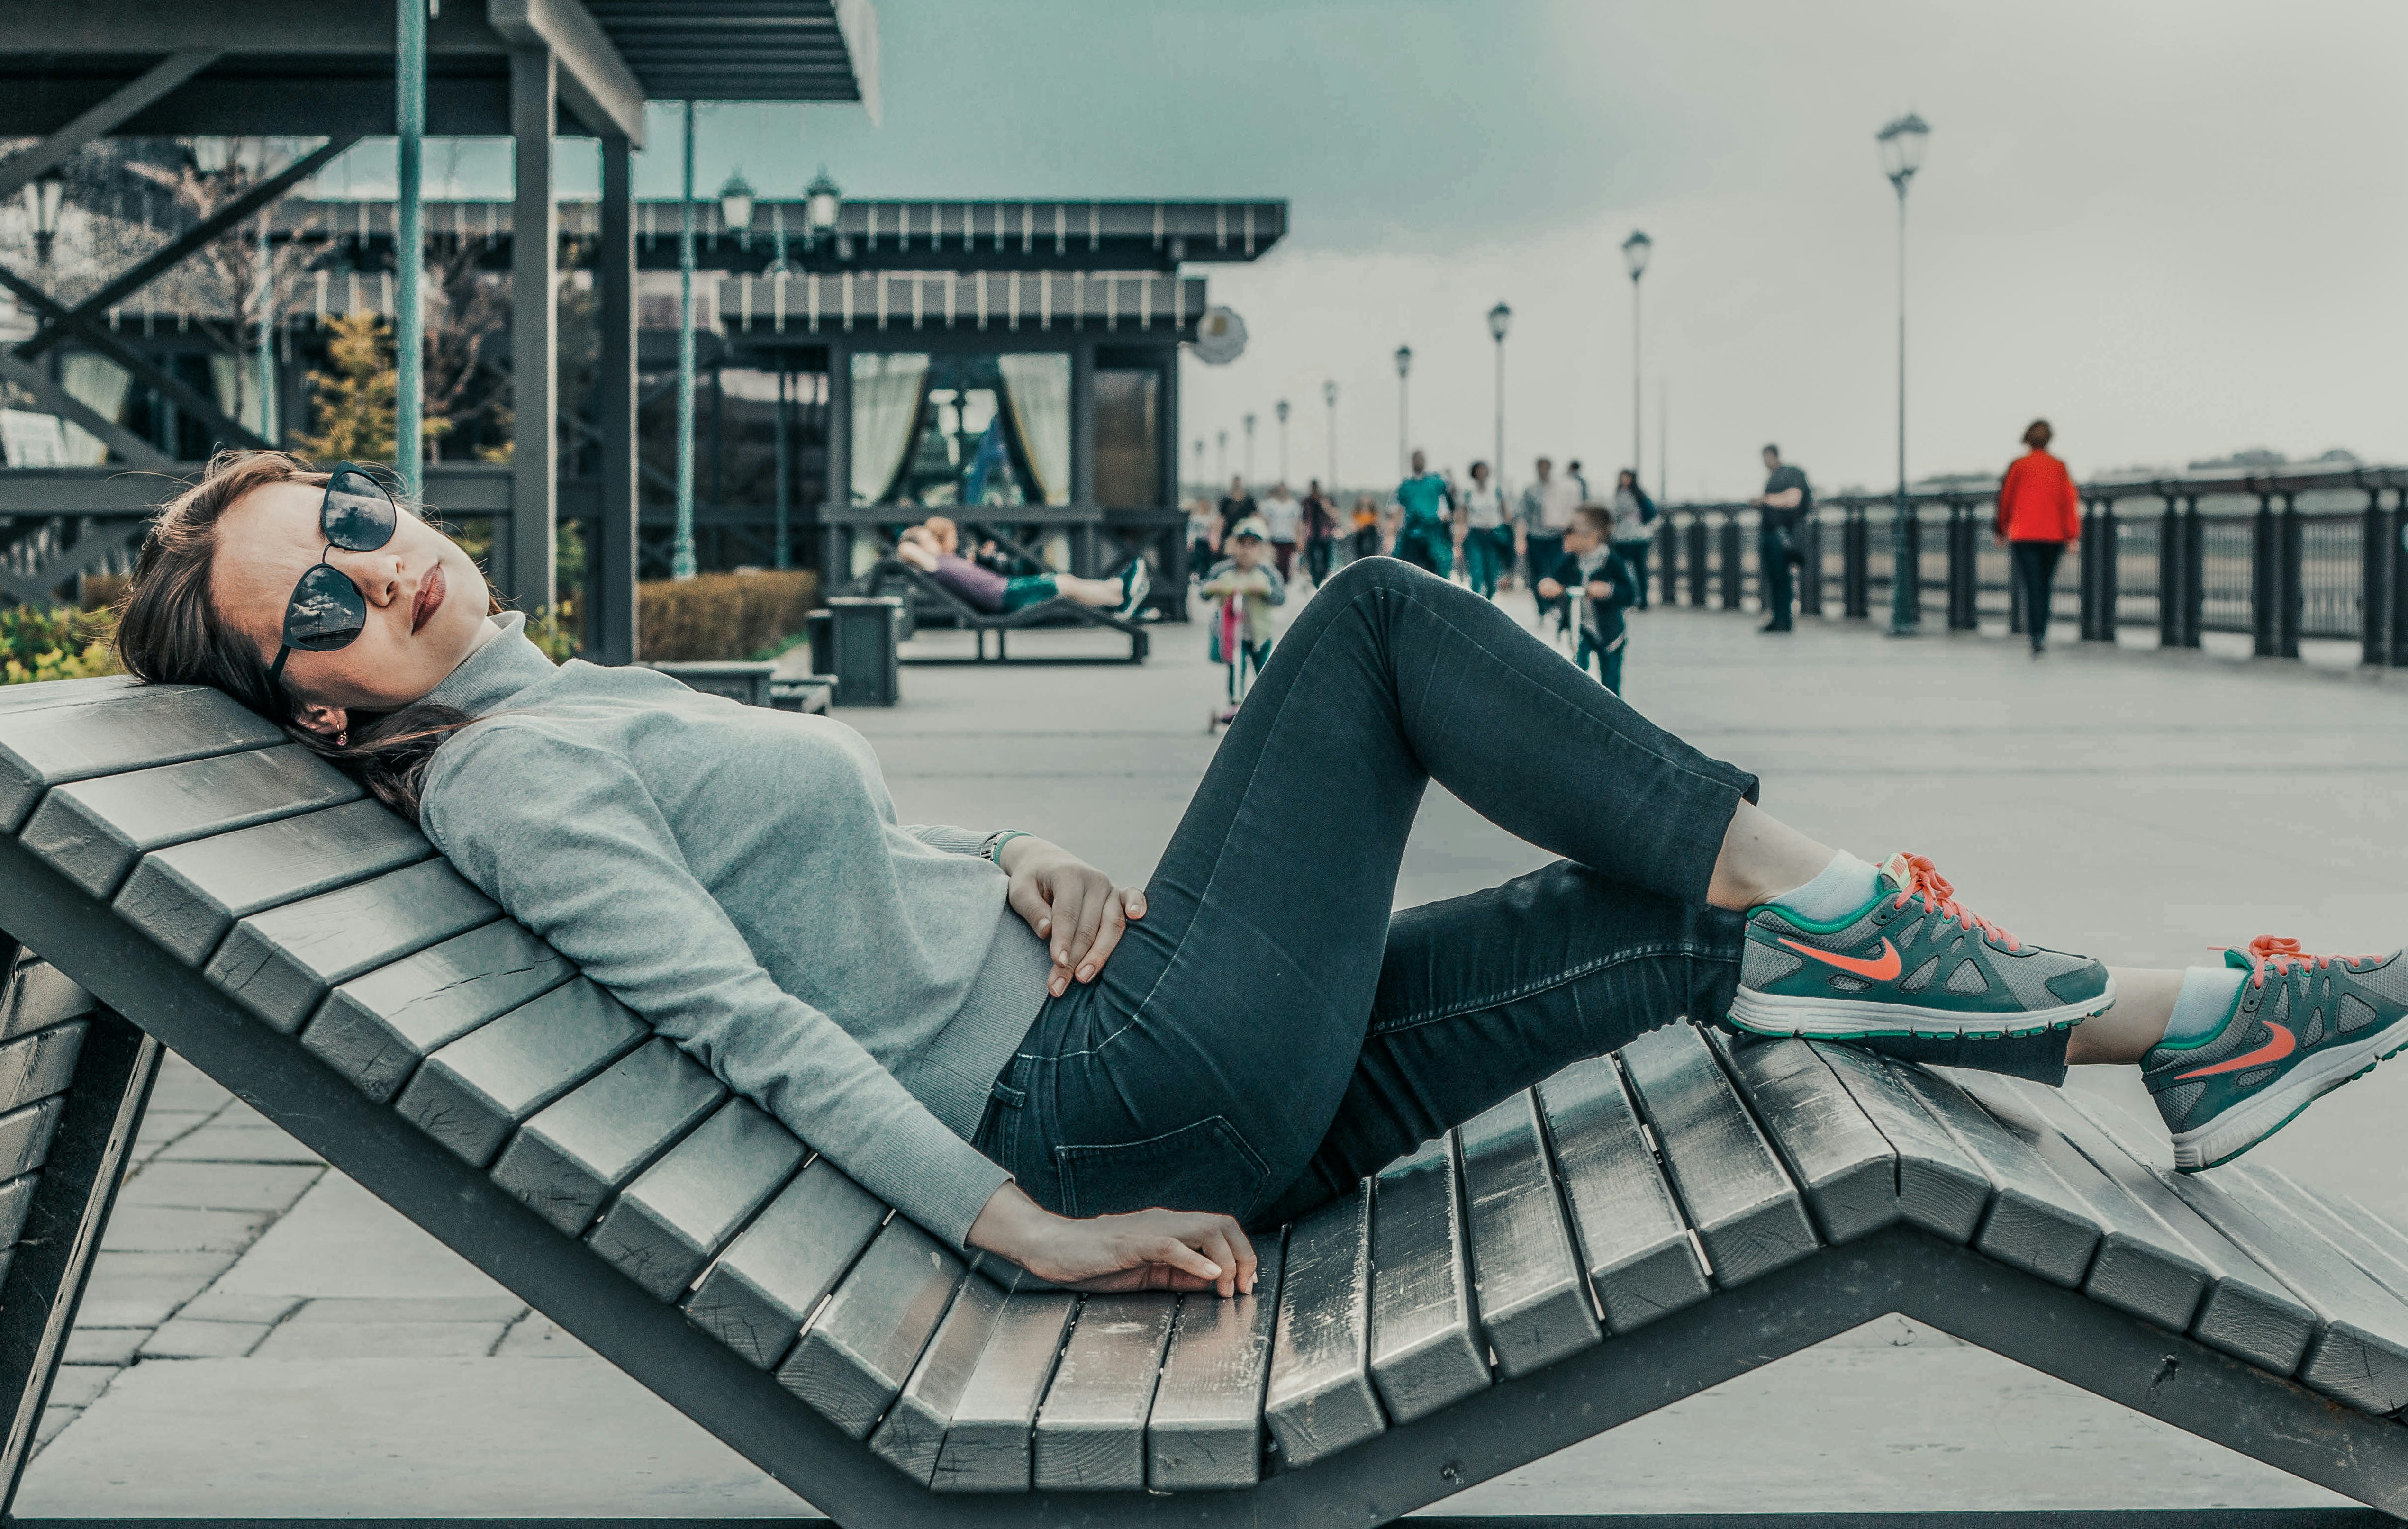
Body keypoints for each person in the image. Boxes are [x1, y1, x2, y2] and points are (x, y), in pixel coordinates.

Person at [121, 452, 2400, 1298]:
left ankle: (2191, 1024)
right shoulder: (511, 785)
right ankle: (1856, 902)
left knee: (1679, 929)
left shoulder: (554, 699)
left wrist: (1016, 844)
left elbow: (832, 876)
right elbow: (749, 1034)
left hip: (1133, 1048)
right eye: (303, 610)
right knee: (1380, 621)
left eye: (336, 519)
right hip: (1103, 1103)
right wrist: (1027, 1233)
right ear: (317, 713)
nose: (358, 573)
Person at [897, 522, 1148, 619]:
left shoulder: (942, 560)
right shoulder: (932, 564)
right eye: (927, 538)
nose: (932, 539)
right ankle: (1118, 594)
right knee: (1062, 584)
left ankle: (1116, 592)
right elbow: (905, 550)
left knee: (1064, 582)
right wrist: (912, 539)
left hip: (1005, 590)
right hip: (1002, 595)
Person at [1997, 419, 2081, 655]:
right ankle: (2040, 631)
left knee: (2032, 585)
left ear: (2027, 440)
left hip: (2024, 535)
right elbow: (2069, 501)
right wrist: (2072, 536)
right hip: (2053, 537)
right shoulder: (2059, 467)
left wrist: (2001, 529)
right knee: (2045, 585)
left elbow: (2006, 500)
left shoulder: (2019, 466)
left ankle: (2035, 634)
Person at [1537, 505, 1641, 694]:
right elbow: (1549, 578)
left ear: (1592, 537)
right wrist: (1547, 585)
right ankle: (1578, 706)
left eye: (1572, 530)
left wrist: (1609, 590)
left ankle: (1612, 718)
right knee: (1576, 669)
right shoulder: (1568, 561)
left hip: (1610, 631)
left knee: (1610, 681)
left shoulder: (1611, 561)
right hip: (1580, 628)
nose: (1566, 534)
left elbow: (1630, 594)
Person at [1200, 516, 1285, 721]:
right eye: (1242, 544)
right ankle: (1235, 702)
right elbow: (1205, 590)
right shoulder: (1223, 570)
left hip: (1259, 633)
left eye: (1252, 545)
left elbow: (1280, 597)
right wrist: (1214, 588)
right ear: (1233, 546)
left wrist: (1264, 591)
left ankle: (1268, 706)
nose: (1246, 550)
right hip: (1233, 633)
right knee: (1235, 667)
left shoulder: (1266, 572)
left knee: (1264, 670)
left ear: (1262, 549)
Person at [1752, 444, 1811, 633]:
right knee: (1774, 579)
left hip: (1783, 535)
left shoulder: (1791, 473)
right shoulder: (1774, 477)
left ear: (1772, 456)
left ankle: (1784, 619)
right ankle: (1778, 617)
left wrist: (1766, 499)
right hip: (1771, 535)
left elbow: (1794, 499)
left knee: (1782, 578)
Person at [1519, 456, 1580, 636]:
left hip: (1556, 536)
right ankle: (1543, 607)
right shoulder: (1530, 490)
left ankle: (1555, 605)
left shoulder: (1559, 489)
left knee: (1555, 570)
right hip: (1536, 536)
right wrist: (1521, 539)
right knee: (1538, 572)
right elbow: (1523, 515)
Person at [1454, 461, 1512, 600]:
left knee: (1492, 574)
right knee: (1476, 571)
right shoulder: (1469, 494)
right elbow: (1463, 516)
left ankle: (1489, 601)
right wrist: (1459, 536)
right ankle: (1476, 602)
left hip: (1493, 536)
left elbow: (1507, 515)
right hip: (1475, 535)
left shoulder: (1497, 493)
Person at [1389, 449, 1453, 577]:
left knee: (1438, 564)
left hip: (1432, 530)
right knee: (1407, 564)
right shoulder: (1406, 486)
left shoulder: (1435, 482)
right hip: (1412, 531)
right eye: (1416, 459)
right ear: (1412, 462)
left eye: (1421, 459)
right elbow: (1396, 509)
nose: (1419, 462)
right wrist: (1391, 533)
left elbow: (1448, 500)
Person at [1609, 468, 1657, 610]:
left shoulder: (1631, 495)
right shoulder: (1634, 494)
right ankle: (1635, 599)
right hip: (1632, 537)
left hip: (1632, 537)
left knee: (1633, 569)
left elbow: (1615, 514)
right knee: (1631, 569)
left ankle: (1637, 599)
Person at [1259, 483, 1304, 586]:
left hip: (1288, 539)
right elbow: (1265, 521)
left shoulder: (1293, 506)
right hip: (1274, 538)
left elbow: (1297, 524)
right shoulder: (1270, 505)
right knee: (1274, 563)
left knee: (1285, 564)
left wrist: (1299, 539)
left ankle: (1284, 584)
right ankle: (1274, 583)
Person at [1301, 479, 1340, 587]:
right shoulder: (1307, 502)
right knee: (1312, 563)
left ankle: (1323, 582)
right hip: (1312, 535)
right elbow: (1303, 520)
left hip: (1326, 535)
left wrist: (1325, 506)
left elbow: (1336, 516)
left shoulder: (1327, 499)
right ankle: (1316, 583)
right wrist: (1301, 538)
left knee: (1327, 563)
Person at [1185, 497, 1219, 588]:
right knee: (1197, 559)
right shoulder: (1195, 518)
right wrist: (1190, 541)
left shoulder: (1210, 518)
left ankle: (1205, 576)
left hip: (1206, 543)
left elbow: (1213, 531)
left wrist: (1214, 542)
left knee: (1206, 560)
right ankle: (1197, 575)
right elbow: (1191, 531)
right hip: (1197, 542)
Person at [1216, 475, 1258, 546]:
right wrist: (1217, 536)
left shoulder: (1249, 501)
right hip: (1229, 534)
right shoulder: (1226, 501)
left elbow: (1254, 517)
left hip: (1245, 535)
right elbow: (1221, 519)